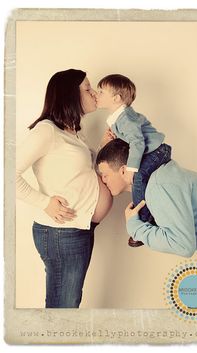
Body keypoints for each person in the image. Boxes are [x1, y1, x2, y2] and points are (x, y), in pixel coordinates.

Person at [16, 69, 113, 308]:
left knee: (69, 302)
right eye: (88, 89)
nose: (93, 94)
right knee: (63, 306)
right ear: (70, 94)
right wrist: (44, 203)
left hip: (78, 229)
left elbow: (78, 174)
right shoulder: (47, 131)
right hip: (61, 233)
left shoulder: (71, 131)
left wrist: (100, 148)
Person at [96, 139, 197, 307]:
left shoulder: (159, 185)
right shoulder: (159, 178)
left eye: (105, 174)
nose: (102, 180)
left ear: (123, 170)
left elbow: (183, 245)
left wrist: (135, 227)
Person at [96, 74, 171, 247]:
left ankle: (142, 224)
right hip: (154, 151)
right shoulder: (119, 117)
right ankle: (151, 217)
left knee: (138, 181)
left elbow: (138, 142)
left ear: (116, 98)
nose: (96, 95)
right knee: (143, 182)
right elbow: (131, 138)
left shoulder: (124, 118)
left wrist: (131, 168)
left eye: (101, 92)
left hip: (156, 151)